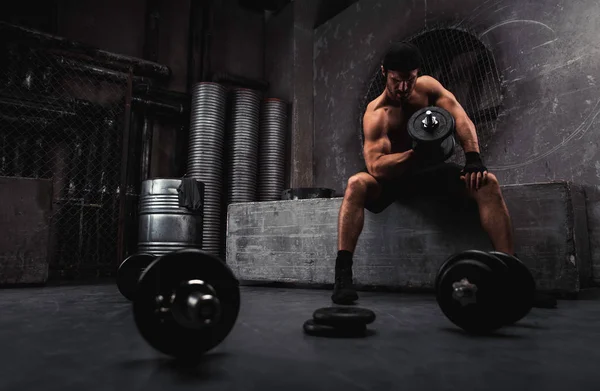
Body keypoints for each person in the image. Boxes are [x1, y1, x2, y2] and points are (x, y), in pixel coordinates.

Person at [331, 41, 515, 305]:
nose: (403, 88)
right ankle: (343, 276)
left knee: (487, 183)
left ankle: (510, 273)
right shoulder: (377, 113)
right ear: (385, 72)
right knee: (356, 184)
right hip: (395, 178)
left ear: (417, 74)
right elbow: (376, 165)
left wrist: (473, 156)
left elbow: (460, 118)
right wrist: (416, 154)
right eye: (396, 80)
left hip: (432, 174)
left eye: (409, 79)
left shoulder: (428, 88)